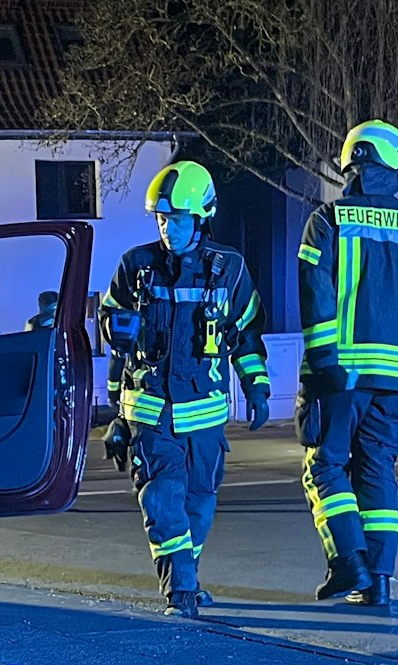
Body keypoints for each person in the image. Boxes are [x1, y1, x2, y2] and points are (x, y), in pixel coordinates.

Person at [98, 160, 269, 618]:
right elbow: (115, 338)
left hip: (207, 418)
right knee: (163, 497)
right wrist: (117, 413)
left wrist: (257, 388)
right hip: (150, 413)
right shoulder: (136, 266)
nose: (167, 228)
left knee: (199, 504)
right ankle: (181, 593)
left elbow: (246, 333)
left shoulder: (228, 270)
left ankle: (185, 575)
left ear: (202, 217)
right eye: (161, 218)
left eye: (176, 218)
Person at [295, 120, 398, 607]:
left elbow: (314, 293)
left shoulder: (328, 220)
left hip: (341, 376)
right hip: (397, 381)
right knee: (378, 468)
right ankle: (379, 579)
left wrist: (325, 363)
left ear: (352, 165)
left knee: (324, 466)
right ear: (395, 169)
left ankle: (349, 562)